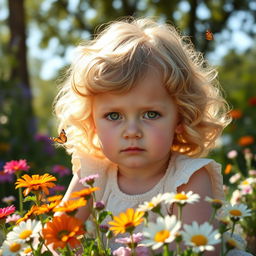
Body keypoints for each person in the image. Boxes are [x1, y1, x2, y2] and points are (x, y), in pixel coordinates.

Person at [53, 17, 231, 254]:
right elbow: (57, 237)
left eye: (151, 114)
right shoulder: (92, 175)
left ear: (180, 118)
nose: (132, 132)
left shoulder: (188, 179)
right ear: (92, 121)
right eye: (114, 116)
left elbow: (204, 250)